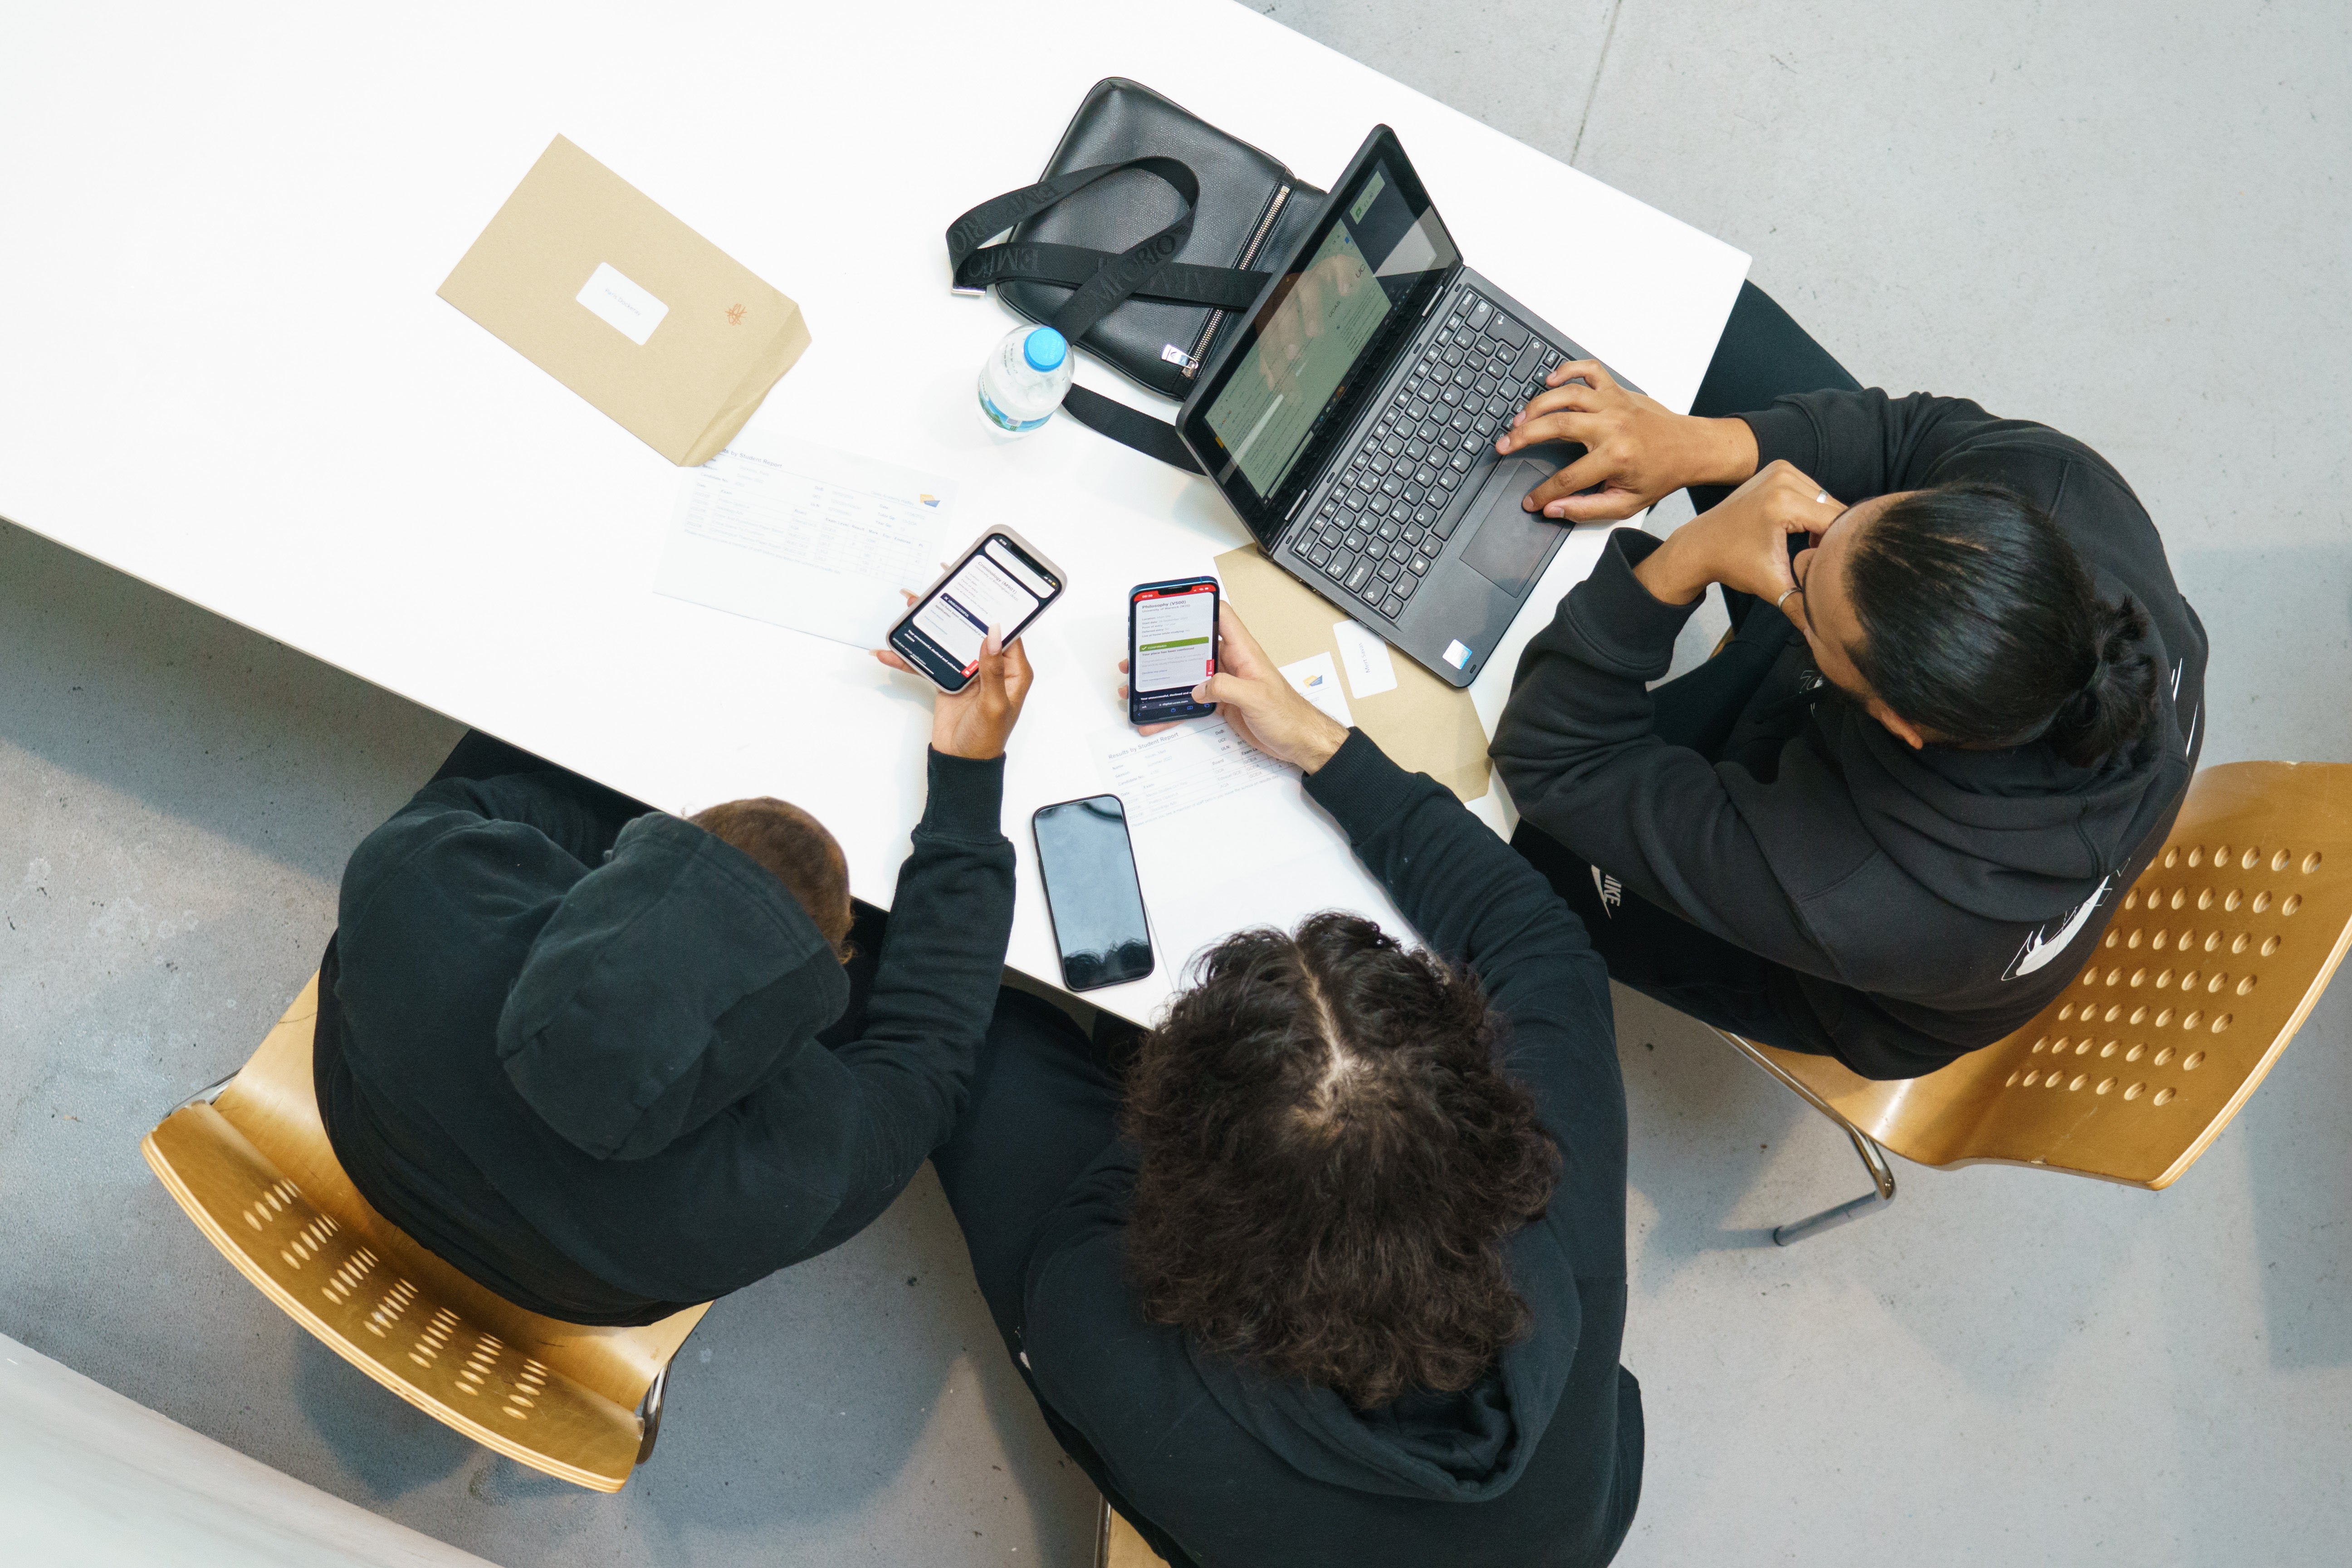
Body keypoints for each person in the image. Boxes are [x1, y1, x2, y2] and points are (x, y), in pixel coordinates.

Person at [930, 611, 1640, 1568]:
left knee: (962, 1042)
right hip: (1555, 1529)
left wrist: (961, 791)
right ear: (1485, 1101)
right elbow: (1541, 943)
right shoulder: (1566, 1181)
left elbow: (1076, 1234)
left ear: (1179, 1155)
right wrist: (1319, 743)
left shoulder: (1113, 1348)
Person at [1489, 283, 2208, 1080]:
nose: (1793, 549)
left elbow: (1554, 759)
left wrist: (1686, 559)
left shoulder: (1853, 887)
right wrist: (1701, 448)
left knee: (1502, 829)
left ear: (1896, 721)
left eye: (1804, 593)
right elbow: (1913, 435)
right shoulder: (2067, 496)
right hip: (1901, 784)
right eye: (1845, 520)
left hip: (1828, 956)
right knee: (1717, 323)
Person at [312, 632, 1032, 1324]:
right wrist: (967, 783)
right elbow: (927, 1056)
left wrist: (642, 841)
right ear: (826, 964)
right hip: (575, 1285)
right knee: (910, 955)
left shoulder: (416, 891)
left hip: (382, 1140)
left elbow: (478, 800)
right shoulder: (796, 1173)